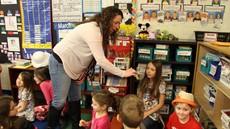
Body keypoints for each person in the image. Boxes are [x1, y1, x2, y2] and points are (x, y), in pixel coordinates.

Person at [47, 6, 136, 129]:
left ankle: (76, 125)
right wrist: (123, 73)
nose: (116, 26)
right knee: (60, 100)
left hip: (74, 67)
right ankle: (50, 127)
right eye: (115, 22)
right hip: (60, 62)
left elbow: (90, 57)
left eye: (118, 23)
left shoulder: (100, 31)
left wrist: (82, 74)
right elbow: (100, 60)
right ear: (107, 19)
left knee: (75, 98)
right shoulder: (93, 30)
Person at [137, 60, 166, 129]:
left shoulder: (161, 84)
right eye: (147, 68)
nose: (148, 71)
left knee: (142, 126)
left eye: (152, 69)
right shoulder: (143, 81)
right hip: (142, 110)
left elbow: (161, 104)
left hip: (152, 113)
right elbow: (139, 97)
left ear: (158, 72)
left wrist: (147, 113)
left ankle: (158, 123)